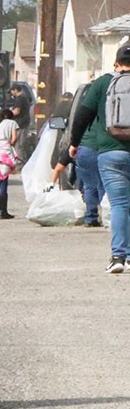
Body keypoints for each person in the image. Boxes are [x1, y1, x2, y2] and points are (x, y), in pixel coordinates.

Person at [69, 44, 130, 273]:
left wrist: (74, 144)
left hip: (111, 153)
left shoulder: (103, 83)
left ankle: (118, 257)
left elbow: (82, 116)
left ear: (116, 63)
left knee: (120, 205)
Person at [45, 125, 104, 227]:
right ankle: (108, 216)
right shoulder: (102, 126)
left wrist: (51, 184)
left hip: (85, 155)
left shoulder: (75, 146)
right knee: (103, 186)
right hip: (104, 151)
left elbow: (59, 168)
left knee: (89, 187)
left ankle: (91, 218)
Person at [9, 84, 31, 162]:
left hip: (21, 124)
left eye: (12, 91)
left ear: (15, 90)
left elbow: (17, 111)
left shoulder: (20, 99)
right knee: (20, 144)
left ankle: (20, 163)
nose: (11, 93)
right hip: (23, 123)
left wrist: (8, 114)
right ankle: (23, 162)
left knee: (19, 145)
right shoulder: (24, 97)